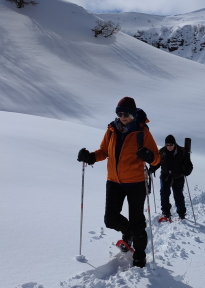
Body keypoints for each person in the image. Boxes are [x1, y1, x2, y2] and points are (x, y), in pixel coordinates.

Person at [77, 97, 160, 268]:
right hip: (114, 182)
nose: (123, 116)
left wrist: (149, 156)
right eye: (120, 113)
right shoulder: (112, 130)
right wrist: (91, 157)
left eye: (127, 113)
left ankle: (139, 253)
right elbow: (103, 151)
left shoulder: (142, 132)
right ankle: (127, 231)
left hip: (136, 183)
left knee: (137, 221)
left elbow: (156, 158)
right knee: (110, 219)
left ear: (133, 114)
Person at [150, 135, 193, 220]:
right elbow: (157, 162)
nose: (169, 147)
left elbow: (189, 164)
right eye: (167, 145)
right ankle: (166, 212)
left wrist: (187, 171)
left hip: (178, 176)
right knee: (164, 194)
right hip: (165, 176)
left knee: (178, 195)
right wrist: (152, 168)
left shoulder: (182, 151)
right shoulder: (162, 152)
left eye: (171, 145)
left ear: (174, 144)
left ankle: (181, 213)